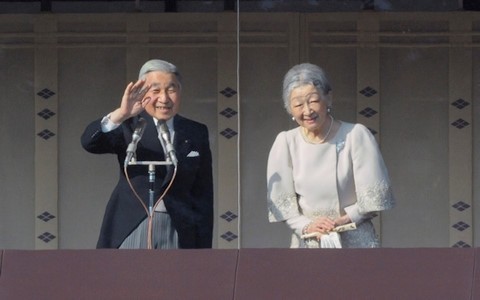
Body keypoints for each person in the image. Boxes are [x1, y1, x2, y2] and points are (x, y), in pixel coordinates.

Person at [81, 59, 213, 249]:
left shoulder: (195, 132)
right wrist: (121, 113)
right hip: (131, 224)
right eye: (156, 90)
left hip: (179, 228)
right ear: (142, 92)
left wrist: (203, 249)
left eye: (171, 89)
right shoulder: (130, 126)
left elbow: (203, 193)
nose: (164, 98)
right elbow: (89, 142)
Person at [266, 63, 395, 248]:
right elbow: (283, 205)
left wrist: (342, 221)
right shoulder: (286, 142)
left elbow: (374, 198)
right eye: (298, 104)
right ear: (289, 109)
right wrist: (308, 226)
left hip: (356, 243)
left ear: (329, 98)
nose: (307, 111)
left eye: (313, 101)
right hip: (308, 244)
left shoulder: (356, 135)